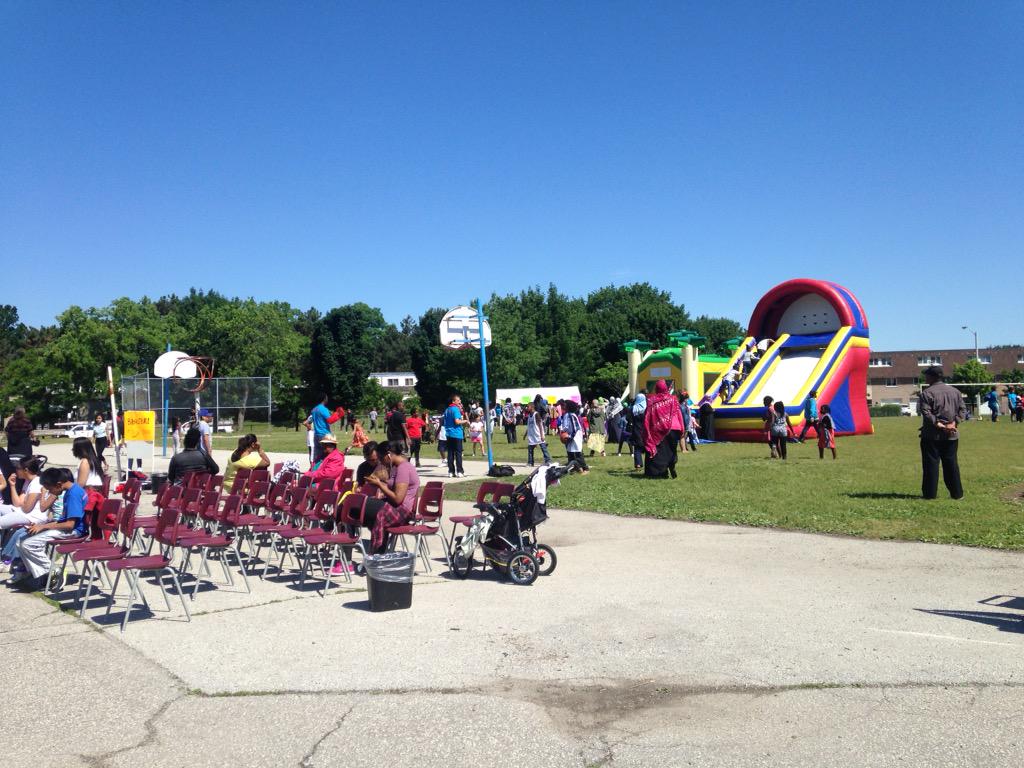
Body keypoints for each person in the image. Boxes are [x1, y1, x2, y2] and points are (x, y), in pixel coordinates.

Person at [12, 467, 87, 590]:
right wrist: (44, 526)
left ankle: (55, 571)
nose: (49, 492)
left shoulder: (73, 494)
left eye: (49, 489)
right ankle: (46, 574)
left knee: (27, 544)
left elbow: (70, 525)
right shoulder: (71, 490)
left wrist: (44, 526)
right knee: (21, 541)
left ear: (58, 484)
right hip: (65, 528)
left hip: (73, 532)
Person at [364, 441, 420, 555]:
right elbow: (392, 488)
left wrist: (379, 484)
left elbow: (398, 499)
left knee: (361, 503)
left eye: (380, 458)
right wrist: (379, 483)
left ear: (388, 454)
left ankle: (376, 552)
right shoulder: (397, 467)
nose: (380, 461)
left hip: (401, 511)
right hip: (395, 507)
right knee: (358, 503)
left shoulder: (403, 468)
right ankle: (378, 552)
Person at [918, 366, 965, 500]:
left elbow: (926, 412)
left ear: (932, 377)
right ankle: (957, 494)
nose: (925, 378)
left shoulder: (927, 393)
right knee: (951, 464)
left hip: (931, 435)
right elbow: (963, 410)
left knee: (931, 465)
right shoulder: (955, 392)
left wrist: (938, 424)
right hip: (951, 435)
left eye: (927, 376)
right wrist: (953, 423)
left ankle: (930, 494)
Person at [0, 456, 53, 533]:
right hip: (21, 512)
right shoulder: (27, 482)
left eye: (18, 468)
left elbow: (26, 509)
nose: (16, 470)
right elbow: (18, 504)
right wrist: (12, 485)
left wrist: (24, 503)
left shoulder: (36, 483)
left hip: (32, 517)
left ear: (26, 470)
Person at [643, 381, 683, 478]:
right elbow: (679, 414)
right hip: (674, 428)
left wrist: (647, 429)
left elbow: (647, 416)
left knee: (661, 452)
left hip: (659, 430)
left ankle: (662, 472)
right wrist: (682, 429)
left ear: (657, 389)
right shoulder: (673, 399)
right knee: (672, 450)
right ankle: (672, 465)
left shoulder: (652, 400)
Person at [303, 394, 342, 464]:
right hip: (324, 434)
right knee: (330, 455)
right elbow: (330, 420)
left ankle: (315, 470)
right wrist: (338, 414)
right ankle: (328, 471)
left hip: (316, 434)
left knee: (318, 456)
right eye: (326, 398)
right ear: (324, 399)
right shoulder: (323, 409)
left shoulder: (314, 409)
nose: (327, 399)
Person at [558, 401, 588, 473]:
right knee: (570, 452)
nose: (562, 407)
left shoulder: (572, 415)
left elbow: (575, 428)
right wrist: (562, 432)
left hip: (575, 435)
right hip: (570, 435)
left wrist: (570, 437)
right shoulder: (566, 415)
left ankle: (585, 468)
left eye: (564, 406)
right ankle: (575, 467)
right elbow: (566, 426)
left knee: (578, 452)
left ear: (568, 407)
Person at [443, 395, 468, 478]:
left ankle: (451, 471)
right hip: (457, 434)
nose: (459, 401)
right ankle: (460, 471)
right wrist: (465, 421)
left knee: (450, 453)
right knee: (458, 453)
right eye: (458, 400)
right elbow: (457, 421)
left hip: (449, 434)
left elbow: (444, 421)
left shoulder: (447, 410)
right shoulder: (455, 409)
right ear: (453, 401)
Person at [630, 393, 647, 470]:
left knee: (637, 448)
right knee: (647, 447)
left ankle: (638, 464)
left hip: (636, 429)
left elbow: (629, 418)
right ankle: (649, 464)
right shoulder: (647, 407)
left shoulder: (633, 408)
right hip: (645, 429)